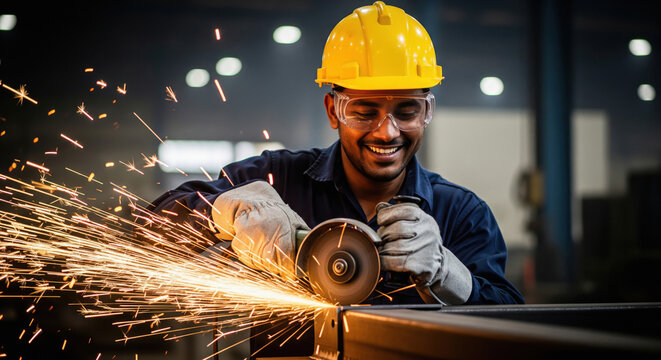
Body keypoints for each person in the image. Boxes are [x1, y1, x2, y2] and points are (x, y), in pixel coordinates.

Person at [150, 1, 524, 356]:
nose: (386, 132)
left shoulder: (461, 213)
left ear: (427, 112)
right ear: (334, 110)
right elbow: (146, 228)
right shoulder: (278, 179)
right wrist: (224, 211)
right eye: (364, 112)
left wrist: (450, 275)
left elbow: (516, 331)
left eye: (407, 111)